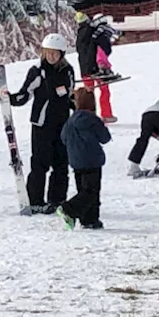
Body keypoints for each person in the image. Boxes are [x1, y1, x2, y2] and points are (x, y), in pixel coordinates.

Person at [1, 33, 74, 213]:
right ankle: (35, 200)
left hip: (63, 123)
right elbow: (25, 93)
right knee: (40, 162)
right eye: (48, 52)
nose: (51, 56)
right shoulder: (38, 71)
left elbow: (71, 94)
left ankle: (57, 199)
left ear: (61, 54)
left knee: (61, 163)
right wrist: (9, 99)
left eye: (55, 53)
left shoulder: (68, 70)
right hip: (42, 124)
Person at [57, 88, 110, 230]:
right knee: (91, 192)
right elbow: (105, 138)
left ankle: (89, 220)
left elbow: (63, 138)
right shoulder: (93, 120)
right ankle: (69, 209)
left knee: (83, 189)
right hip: (92, 160)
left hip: (76, 160)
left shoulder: (70, 120)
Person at [75, 11, 117, 123]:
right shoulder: (94, 32)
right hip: (97, 68)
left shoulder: (79, 36)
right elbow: (104, 48)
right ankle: (106, 114)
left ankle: (87, 116)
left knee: (89, 93)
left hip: (84, 69)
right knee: (104, 90)